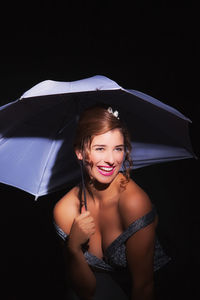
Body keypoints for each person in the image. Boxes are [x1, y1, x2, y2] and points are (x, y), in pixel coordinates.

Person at [53, 105, 170, 300]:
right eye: (100, 149)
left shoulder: (133, 202)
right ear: (80, 152)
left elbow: (144, 286)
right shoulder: (65, 210)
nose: (111, 160)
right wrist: (73, 247)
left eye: (118, 149)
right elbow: (84, 292)